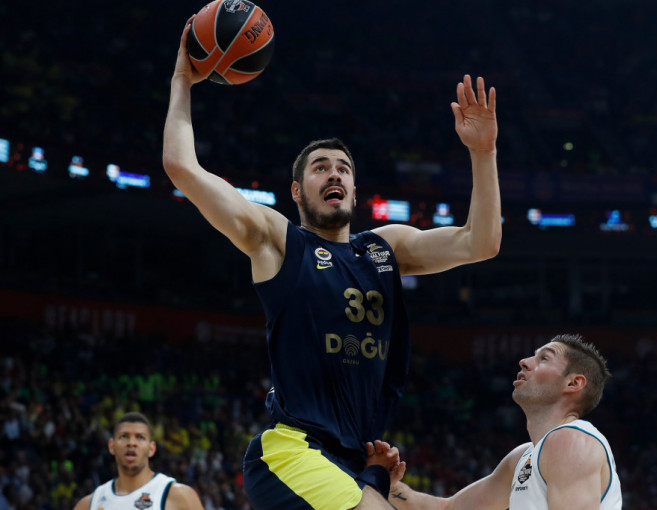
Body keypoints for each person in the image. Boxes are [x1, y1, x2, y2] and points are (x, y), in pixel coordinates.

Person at [162, 14, 502, 510]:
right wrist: (182, 81)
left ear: (355, 192)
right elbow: (181, 167)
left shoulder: (384, 248)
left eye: (343, 168)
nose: (334, 174)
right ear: (298, 191)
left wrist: (483, 152)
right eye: (320, 168)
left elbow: (481, 242)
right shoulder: (280, 242)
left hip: (354, 457)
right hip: (293, 449)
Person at [381, 334, 622, 510]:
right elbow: (448, 508)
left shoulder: (571, 440)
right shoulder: (522, 457)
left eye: (544, 358)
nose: (524, 361)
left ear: (573, 383)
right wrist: (386, 482)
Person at [73, 412, 204, 510]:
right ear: (112, 446)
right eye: (124, 437)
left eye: (140, 437)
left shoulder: (179, 496)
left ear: (151, 449)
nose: (131, 443)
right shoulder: (88, 504)